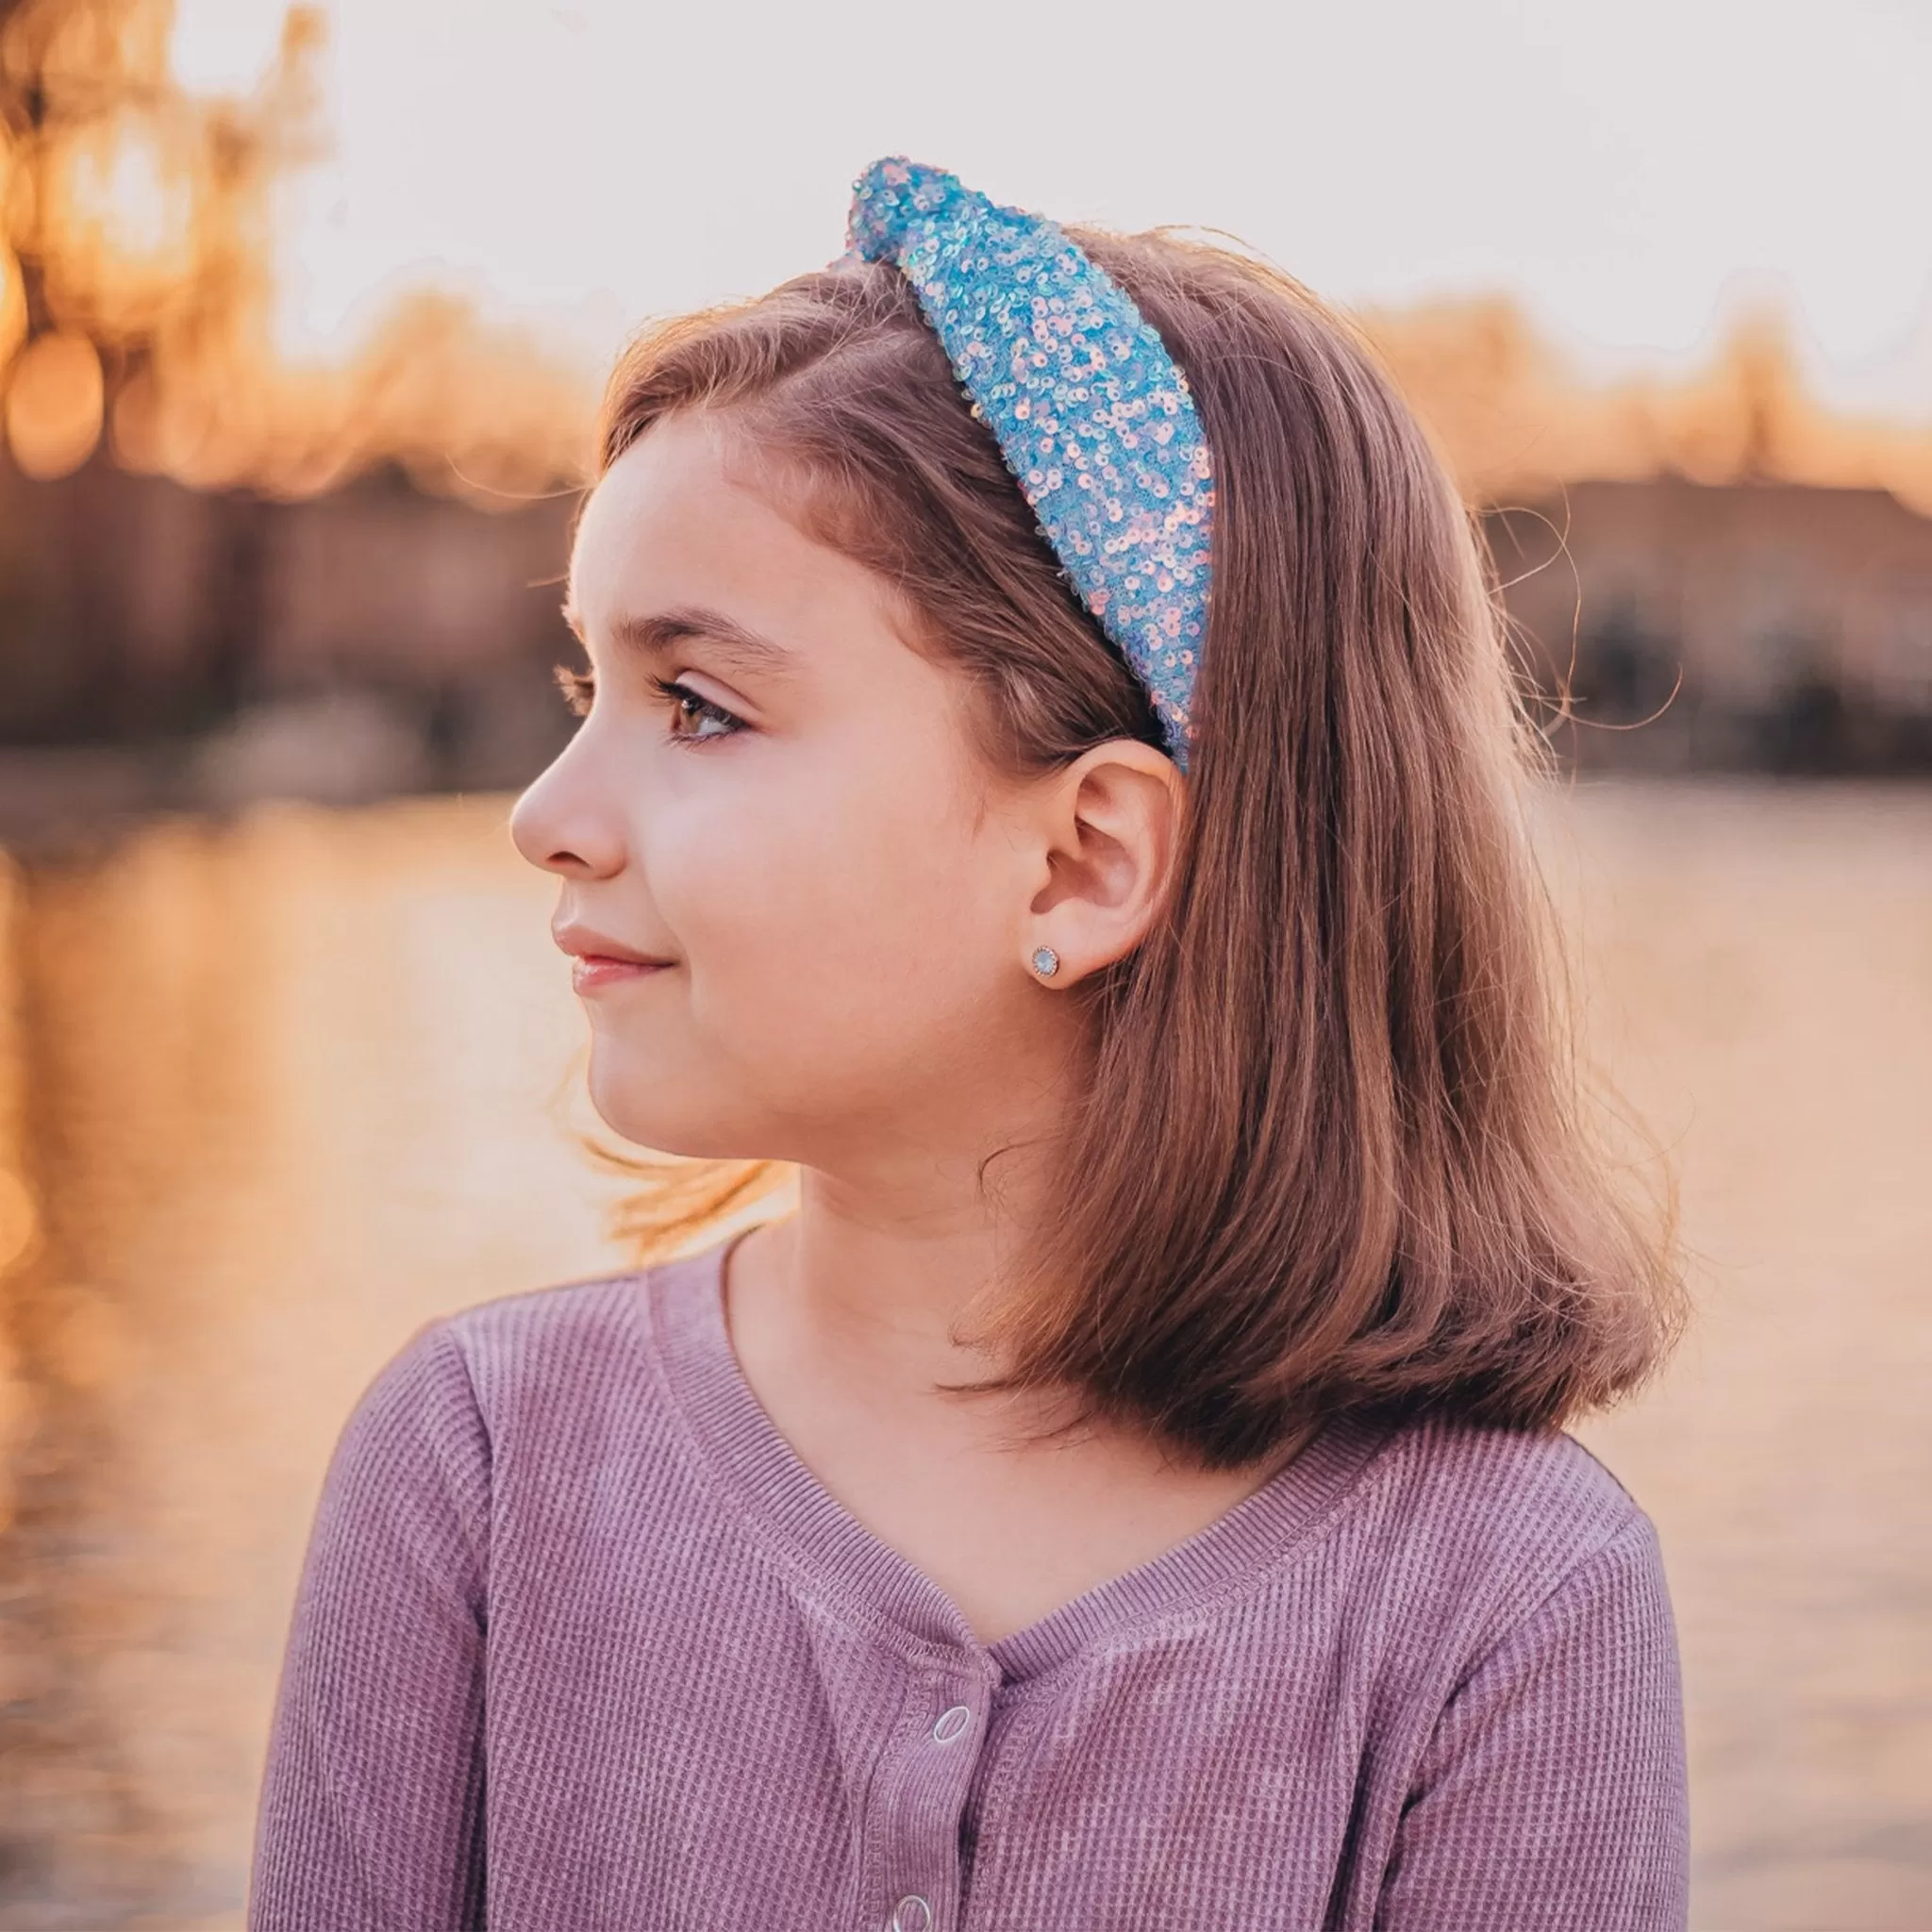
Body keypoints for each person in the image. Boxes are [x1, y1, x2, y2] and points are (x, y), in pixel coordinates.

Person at [246, 158, 1691, 1931]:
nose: (547, 815)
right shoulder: (477, 1468)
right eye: (585, 693)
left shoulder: (1505, 1602)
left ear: (1085, 858)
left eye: (698, 704)